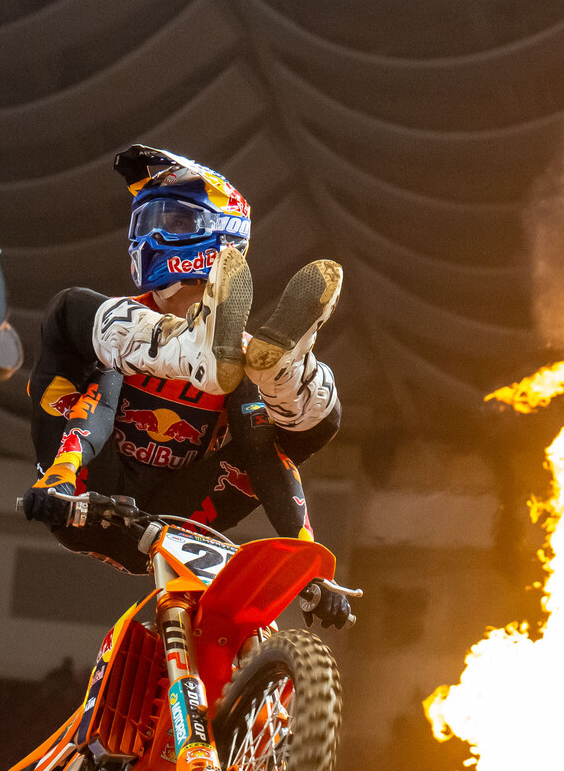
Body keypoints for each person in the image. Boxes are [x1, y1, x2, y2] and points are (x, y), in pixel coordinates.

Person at [20, 144, 350, 625]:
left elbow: (263, 455)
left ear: (223, 240)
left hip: (175, 520)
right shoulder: (108, 332)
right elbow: (100, 401)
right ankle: (190, 351)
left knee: (286, 427)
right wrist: (58, 479)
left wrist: (309, 564)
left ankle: (287, 376)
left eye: (174, 223)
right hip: (84, 495)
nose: (153, 235)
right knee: (72, 316)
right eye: (146, 222)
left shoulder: (240, 361)